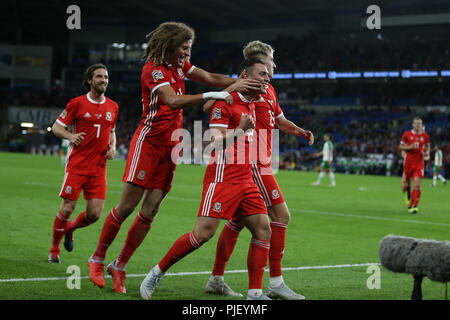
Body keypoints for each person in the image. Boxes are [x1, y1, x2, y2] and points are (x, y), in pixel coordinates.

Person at [87, 21, 262, 293]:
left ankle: (119, 265)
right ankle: (97, 258)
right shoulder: (153, 70)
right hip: (148, 144)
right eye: (183, 48)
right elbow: (172, 101)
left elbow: (209, 77)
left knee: (151, 211)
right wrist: (213, 95)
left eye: (189, 49)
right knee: (127, 206)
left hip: (171, 146)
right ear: (169, 45)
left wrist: (241, 83)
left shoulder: (180, 66)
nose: (186, 54)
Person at [139, 57, 273, 300]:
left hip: (246, 179)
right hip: (223, 177)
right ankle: (157, 272)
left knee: (263, 229)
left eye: (268, 75)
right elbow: (213, 144)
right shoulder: (226, 104)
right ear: (245, 75)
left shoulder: (254, 103)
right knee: (202, 234)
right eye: (262, 74)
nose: (267, 78)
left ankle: (255, 293)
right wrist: (240, 130)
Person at [202, 40, 313, 300]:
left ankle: (216, 278)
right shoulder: (246, 84)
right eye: (271, 62)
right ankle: (275, 281)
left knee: (237, 222)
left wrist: (298, 130)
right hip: (251, 163)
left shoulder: (270, 91)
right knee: (281, 216)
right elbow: (210, 106)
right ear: (260, 61)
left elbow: (280, 120)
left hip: (261, 161)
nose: (273, 67)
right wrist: (232, 88)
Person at [48, 63, 119, 263]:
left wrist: (112, 147)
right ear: (90, 80)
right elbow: (56, 127)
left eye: (105, 77)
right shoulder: (76, 103)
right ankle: (54, 250)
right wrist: (70, 136)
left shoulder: (113, 106)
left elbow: (112, 132)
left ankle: (70, 229)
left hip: (99, 168)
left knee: (95, 214)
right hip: (77, 165)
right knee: (67, 208)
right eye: (99, 77)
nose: (103, 80)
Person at [399, 117, 430, 214]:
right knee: (406, 186)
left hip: (419, 163)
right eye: (416, 123)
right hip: (408, 163)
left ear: (421, 125)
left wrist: (427, 153)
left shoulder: (425, 136)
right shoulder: (407, 134)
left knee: (417, 185)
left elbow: (428, 146)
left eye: (419, 124)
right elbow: (400, 147)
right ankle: (408, 193)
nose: (417, 125)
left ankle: (414, 205)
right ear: (413, 124)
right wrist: (409, 147)